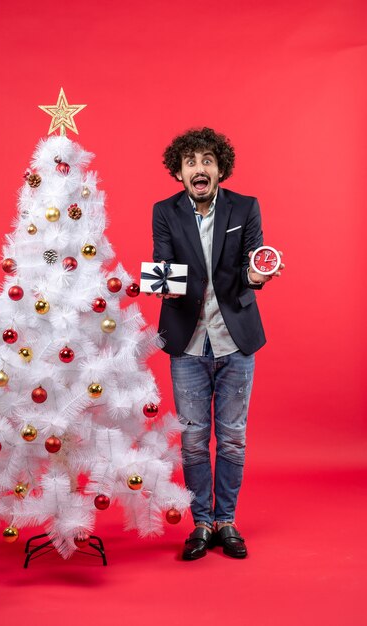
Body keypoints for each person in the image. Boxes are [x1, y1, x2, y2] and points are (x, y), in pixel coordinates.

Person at [152, 127, 284, 560]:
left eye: (207, 160)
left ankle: (226, 521)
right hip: (187, 341)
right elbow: (163, 263)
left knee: (231, 438)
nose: (199, 168)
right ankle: (201, 525)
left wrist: (256, 276)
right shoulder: (164, 211)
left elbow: (252, 261)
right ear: (179, 173)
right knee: (192, 440)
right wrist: (164, 287)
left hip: (235, 340)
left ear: (220, 169)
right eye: (191, 162)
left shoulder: (245, 207)